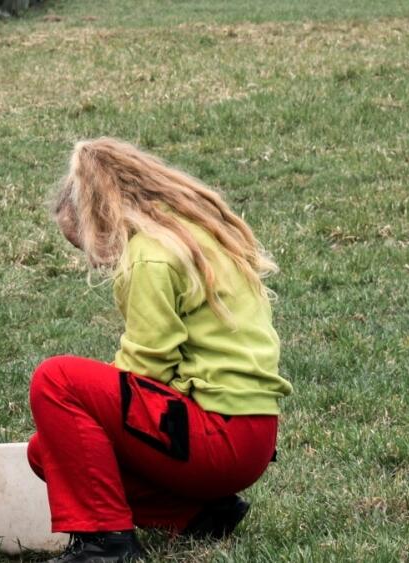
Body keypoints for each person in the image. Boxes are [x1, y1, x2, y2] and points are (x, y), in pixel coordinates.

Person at [27, 138, 293, 562]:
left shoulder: (149, 255)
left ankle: (107, 544)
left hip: (222, 438)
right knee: (48, 452)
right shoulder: (191, 232)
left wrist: (93, 406)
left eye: (87, 246)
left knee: (56, 379)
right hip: (250, 437)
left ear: (101, 216)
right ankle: (198, 516)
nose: (95, 261)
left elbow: (147, 370)